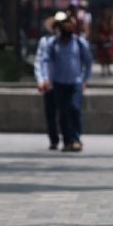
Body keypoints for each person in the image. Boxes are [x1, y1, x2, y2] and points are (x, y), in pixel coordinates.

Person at [37, 12, 93, 152]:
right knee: (62, 112)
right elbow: (44, 61)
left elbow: (88, 61)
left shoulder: (79, 42)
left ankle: (76, 138)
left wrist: (85, 79)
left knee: (74, 109)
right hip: (58, 82)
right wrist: (44, 78)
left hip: (75, 82)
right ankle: (68, 141)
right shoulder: (52, 43)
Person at [33, 12, 66, 150]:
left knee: (66, 112)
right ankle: (54, 139)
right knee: (51, 113)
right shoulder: (45, 41)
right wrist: (41, 80)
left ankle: (68, 138)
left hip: (65, 82)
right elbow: (39, 61)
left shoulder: (71, 41)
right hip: (49, 83)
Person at [92, 9, 113, 76]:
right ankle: (103, 70)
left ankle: (108, 69)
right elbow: (97, 32)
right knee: (102, 56)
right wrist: (101, 37)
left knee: (108, 56)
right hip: (101, 42)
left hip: (108, 41)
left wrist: (110, 37)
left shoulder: (110, 22)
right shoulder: (99, 22)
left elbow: (112, 31)